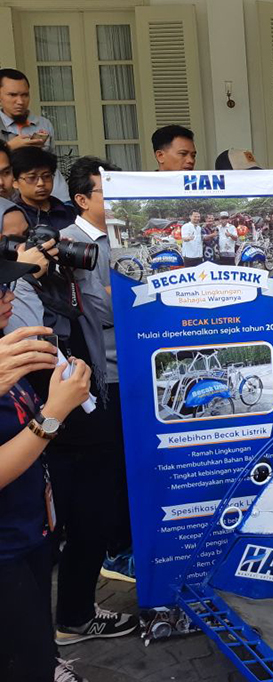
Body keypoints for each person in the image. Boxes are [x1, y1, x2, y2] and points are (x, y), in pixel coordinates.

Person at [3, 162, 140, 642]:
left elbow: (97, 311)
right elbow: (33, 334)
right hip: (57, 416)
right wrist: (25, 276)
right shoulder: (16, 292)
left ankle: (72, 617)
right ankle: (70, 622)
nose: (27, 246)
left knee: (90, 514)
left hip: (82, 397)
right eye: (14, 239)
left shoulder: (56, 270)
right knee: (77, 517)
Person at [62, 156, 136, 587]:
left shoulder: (126, 236)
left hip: (134, 366)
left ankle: (126, 543)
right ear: (82, 198)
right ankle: (115, 551)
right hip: (104, 375)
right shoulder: (72, 242)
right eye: (107, 192)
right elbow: (105, 307)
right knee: (110, 469)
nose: (118, 200)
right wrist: (123, 291)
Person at [0, 68, 70, 202]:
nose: (20, 101)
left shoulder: (43, 124)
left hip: (57, 197)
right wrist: (9, 148)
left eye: (25, 95)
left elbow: (52, 162)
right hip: (15, 201)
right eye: (12, 95)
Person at [11, 147, 75, 231]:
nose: (41, 183)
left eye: (47, 176)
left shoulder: (69, 212)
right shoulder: (13, 216)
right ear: (15, 182)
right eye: (31, 177)